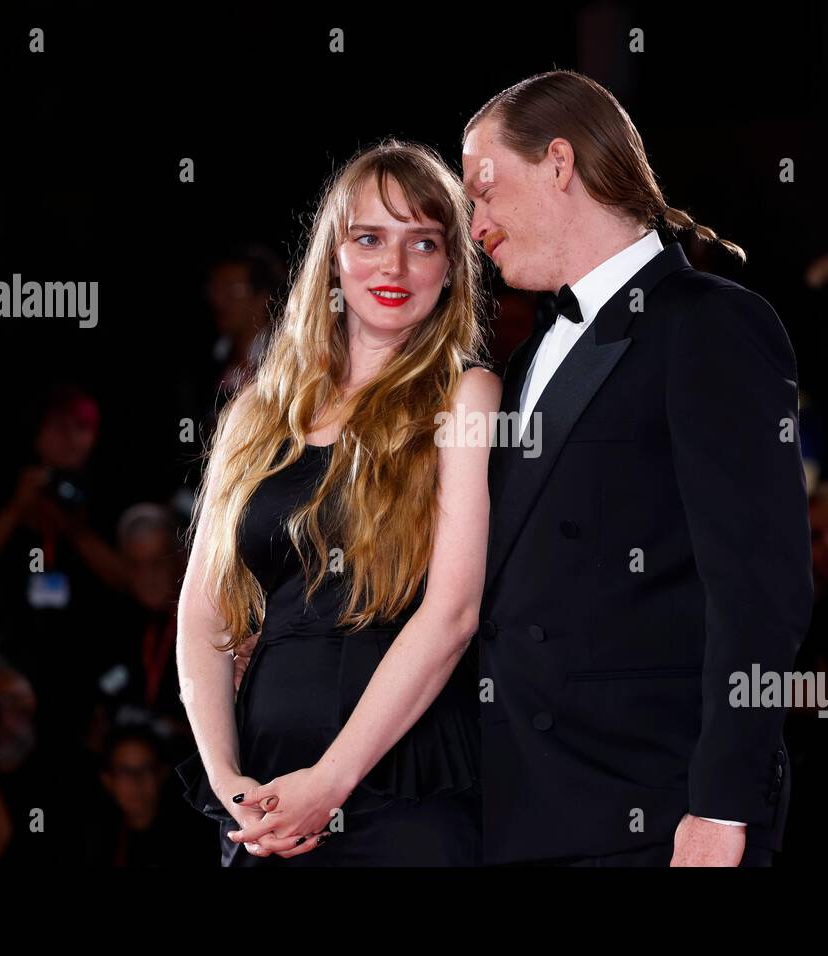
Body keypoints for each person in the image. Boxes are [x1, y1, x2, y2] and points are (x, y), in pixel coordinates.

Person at [461, 70, 813, 866]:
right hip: (524, 806)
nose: (474, 222)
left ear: (558, 163)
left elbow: (763, 590)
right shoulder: (523, 360)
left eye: (484, 190)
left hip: (658, 812)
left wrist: (723, 806)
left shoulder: (712, 323)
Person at [175, 140, 500, 866]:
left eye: (423, 242)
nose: (394, 266)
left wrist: (331, 780)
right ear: (333, 257)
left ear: (451, 269)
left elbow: (453, 614)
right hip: (260, 798)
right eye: (369, 238)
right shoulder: (256, 408)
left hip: (400, 789)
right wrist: (228, 782)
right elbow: (202, 616)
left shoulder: (466, 397)